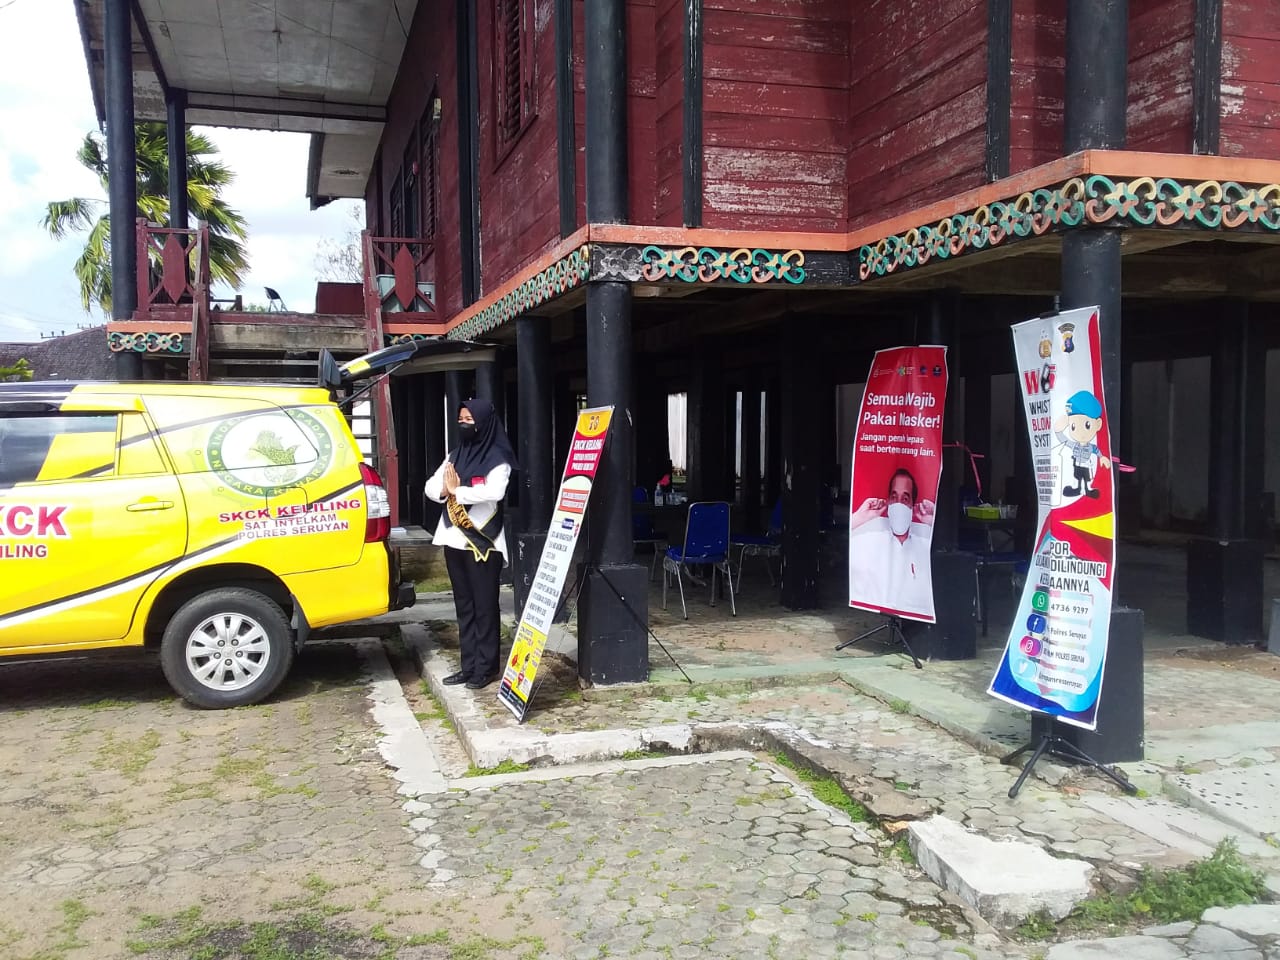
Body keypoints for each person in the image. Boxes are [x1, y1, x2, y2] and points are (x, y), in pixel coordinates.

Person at [425, 398, 518, 690]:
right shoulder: (456, 454)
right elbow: (432, 486)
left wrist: (458, 491)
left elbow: (495, 492)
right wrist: (445, 489)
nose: (463, 424)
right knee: (464, 606)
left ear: (484, 422)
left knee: (484, 606)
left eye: (469, 419)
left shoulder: (498, 457)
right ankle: (468, 666)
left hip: (483, 544)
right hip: (454, 541)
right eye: (461, 419)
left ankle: (486, 668)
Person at [848, 467, 936, 618]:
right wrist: (861, 517)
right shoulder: (872, 537)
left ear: (913, 505)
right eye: (894, 497)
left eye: (905, 499)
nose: (898, 503)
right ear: (888, 501)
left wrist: (933, 521)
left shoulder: (924, 540)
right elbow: (850, 540)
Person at [1054, 390, 1110, 500]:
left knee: (1087, 478)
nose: (1080, 433)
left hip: (1086, 465)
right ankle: (1077, 489)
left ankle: (1088, 490)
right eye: (1073, 426)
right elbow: (1064, 441)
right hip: (1077, 465)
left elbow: (1096, 450)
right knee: (1077, 477)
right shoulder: (1075, 445)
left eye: (1087, 425)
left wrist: (1102, 457)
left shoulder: (1090, 447)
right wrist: (1058, 431)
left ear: (1098, 424)